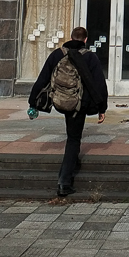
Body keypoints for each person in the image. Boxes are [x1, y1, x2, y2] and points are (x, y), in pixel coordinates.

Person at [28, 26, 108, 197]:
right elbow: (99, 84)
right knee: (73, 139)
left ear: (71, 37)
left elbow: (43, 78)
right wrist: (102, 108)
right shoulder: (90, 57)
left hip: (60, 101)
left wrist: (32, 103)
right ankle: (64, 182)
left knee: (72, 134)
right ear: (85, 40)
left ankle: (73, 162)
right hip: (79, 104)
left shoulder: (57, 54)